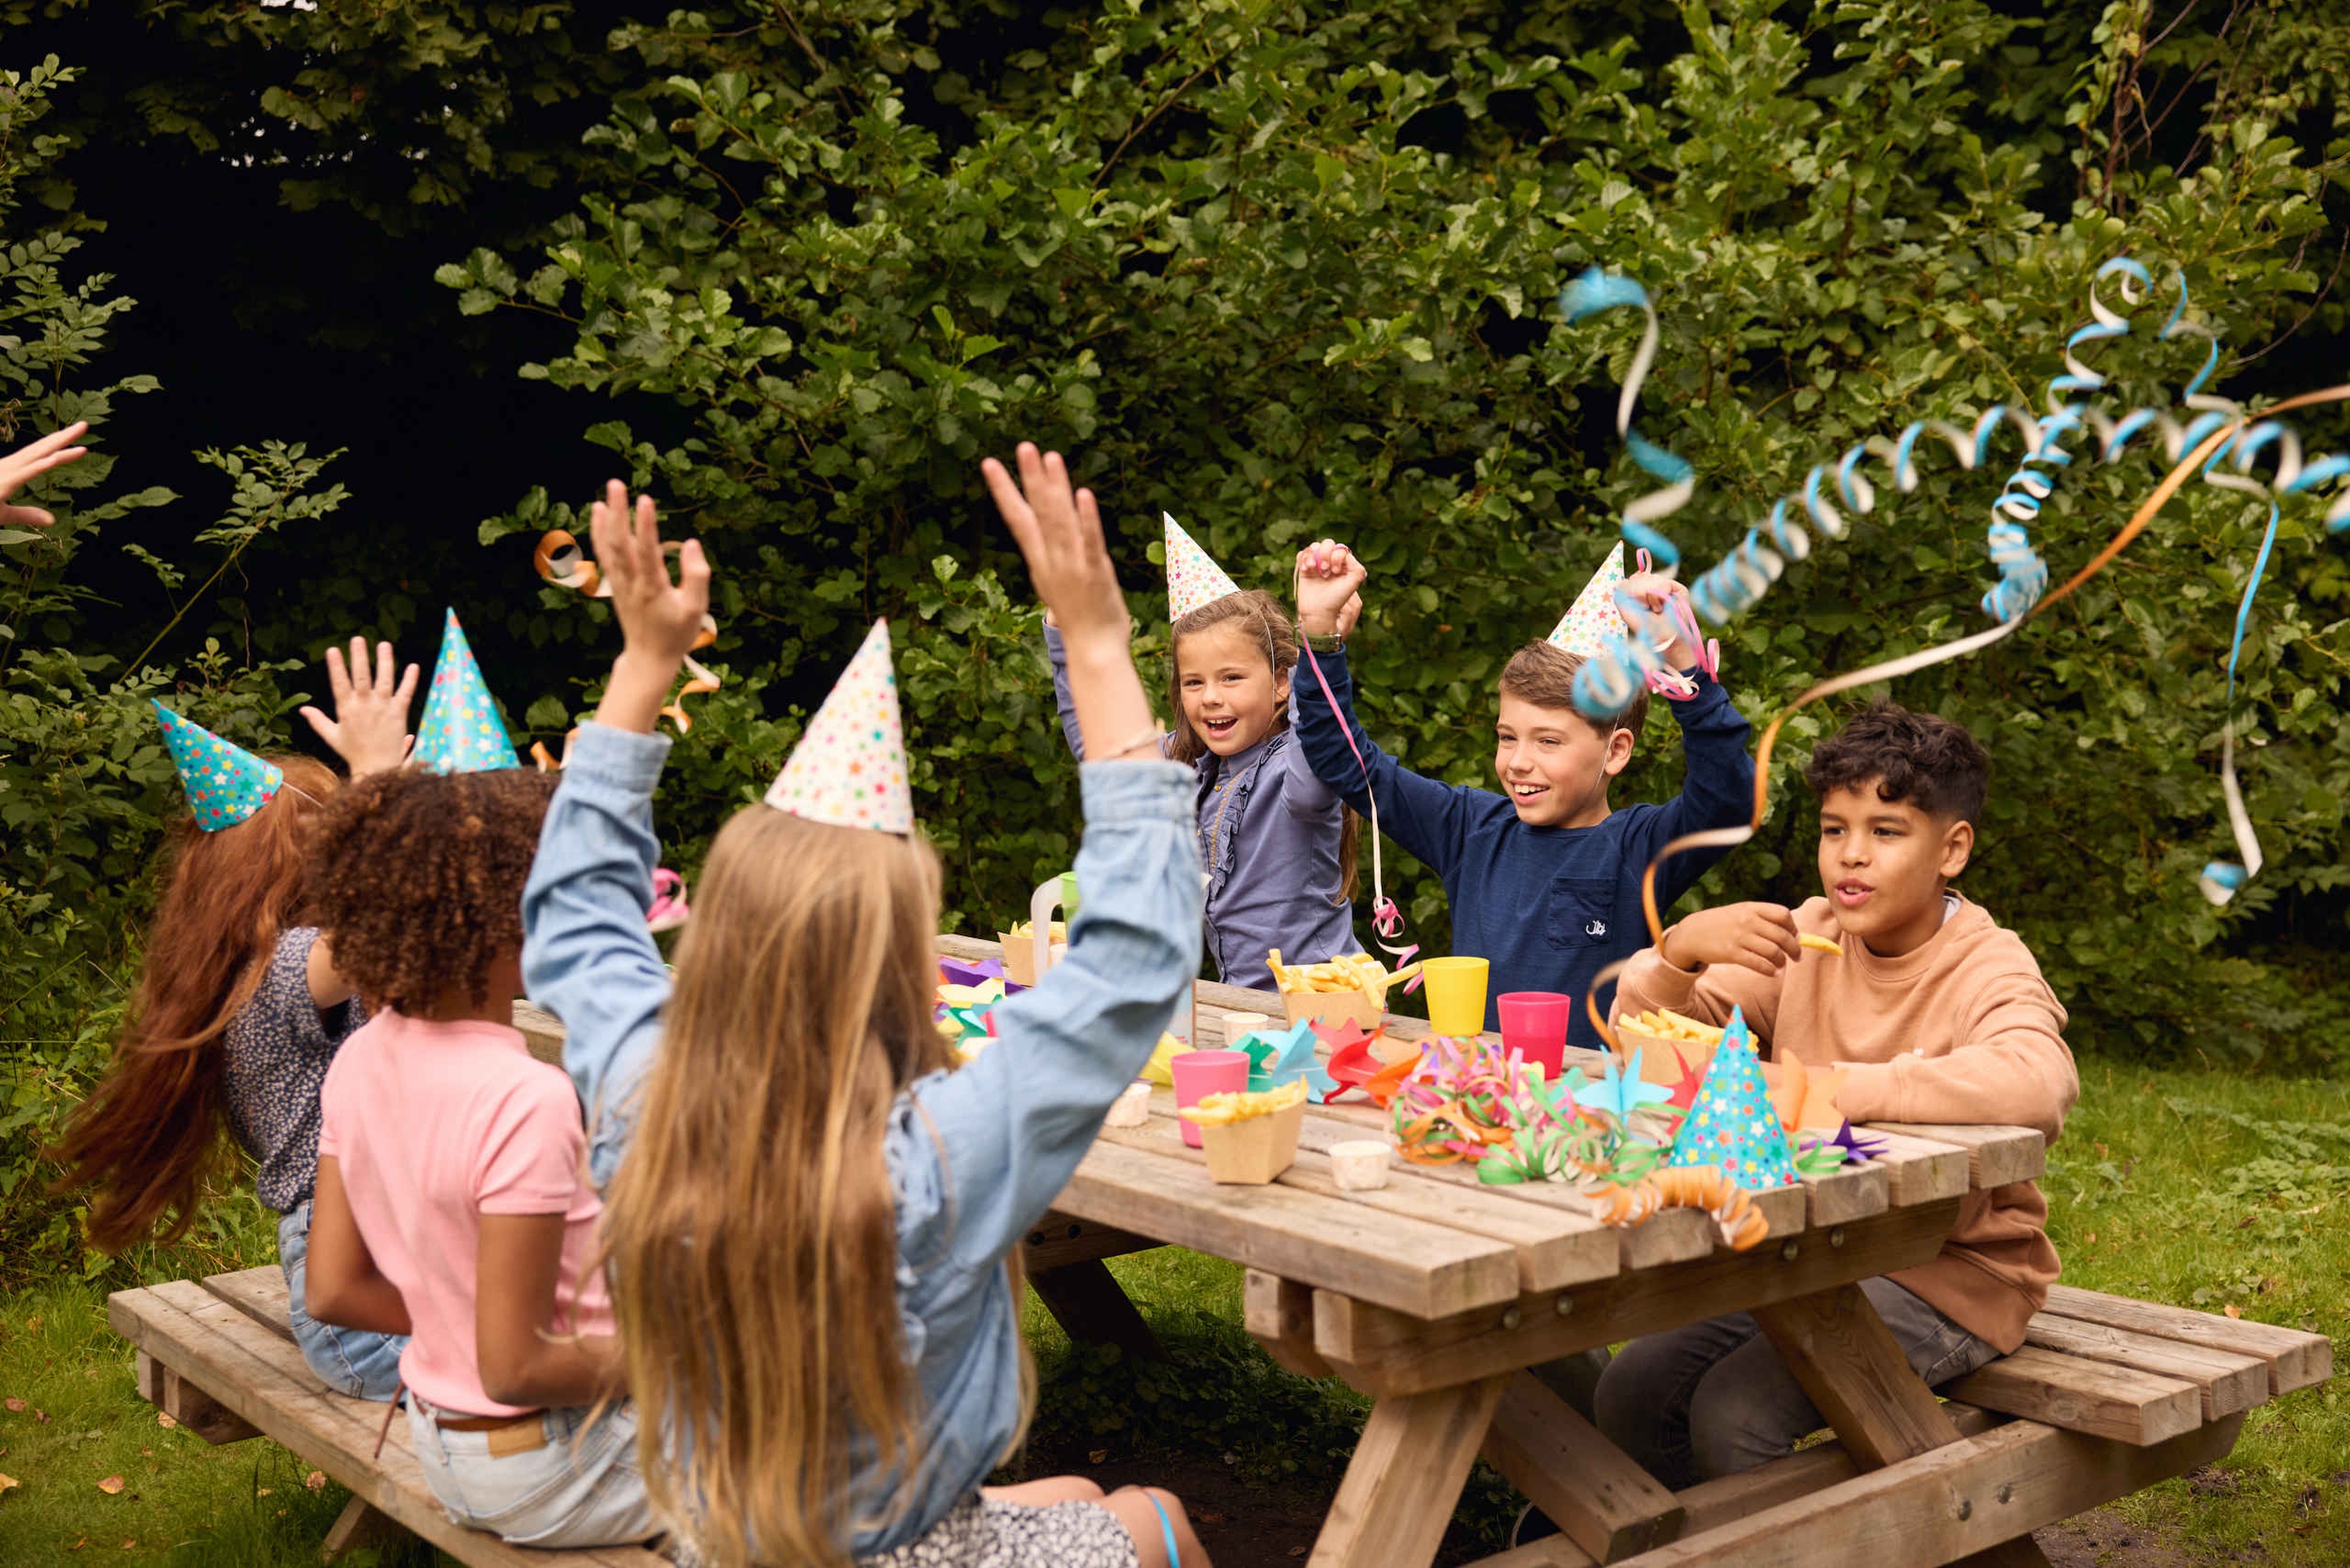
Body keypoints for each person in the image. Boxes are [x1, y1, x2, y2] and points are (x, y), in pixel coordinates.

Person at [521, 455, 1212, 1568]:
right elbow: (1134, 960)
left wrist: (646, 666)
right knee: (1163, 1521)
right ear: (899, 963)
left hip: (722, 1547)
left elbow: (575, 915)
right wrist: (1094, 644)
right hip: (921, 1550)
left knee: (1081, 1492)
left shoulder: (648, 1097)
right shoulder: (935, 1154)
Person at [1592, 701, 2075, 1487]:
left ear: (1951, 849)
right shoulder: (1808, 934)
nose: (1851, 856)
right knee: (1633, 1392)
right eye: (1833, 829)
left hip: (1951, 1273)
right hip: (1805, 1251)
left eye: (1885, 833)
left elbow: (2038, 1083)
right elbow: (1646, 1054)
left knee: (1734, 1416)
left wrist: (1826, 1088)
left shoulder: (1988, 962)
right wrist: (1675, 955)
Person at [300, 762, 659, 1549]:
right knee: (828, 1439)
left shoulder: (360, 1057)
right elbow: (514, 1369)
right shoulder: (522, 1096)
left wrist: (462, 1319)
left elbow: (331, 1289)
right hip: (560, 1460)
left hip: (447, 1448)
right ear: (507, 923)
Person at [50, 638, 419, 1400]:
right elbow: (376, 922)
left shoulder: (270, 975)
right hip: (360, 1307)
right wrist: (378, 782)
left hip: (379, 1266)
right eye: (335, 838)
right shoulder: (284, 972)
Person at [1289, 539, 1755, 1047]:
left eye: (1549, 741)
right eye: (1507, 736)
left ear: (1616, 752)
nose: (1517, 762)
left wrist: (1684, 667)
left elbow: (1728, 800)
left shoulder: (1640, 847)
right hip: (1480, 1099)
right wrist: (1319, 635)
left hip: (1593, 1111)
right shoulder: (1469, 830)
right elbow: (1346, 760)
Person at [1042, 517, 1360, 988]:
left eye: (1231, 677)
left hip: (1326, 1017)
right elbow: (1103, 747)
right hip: (1243, 1013)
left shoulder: (1295, 767)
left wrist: (1318, 646)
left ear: (1280, 684)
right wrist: (1068, 633)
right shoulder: (1186, 769)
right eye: (1194, 682)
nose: (1210, 696)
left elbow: (1319, 736)